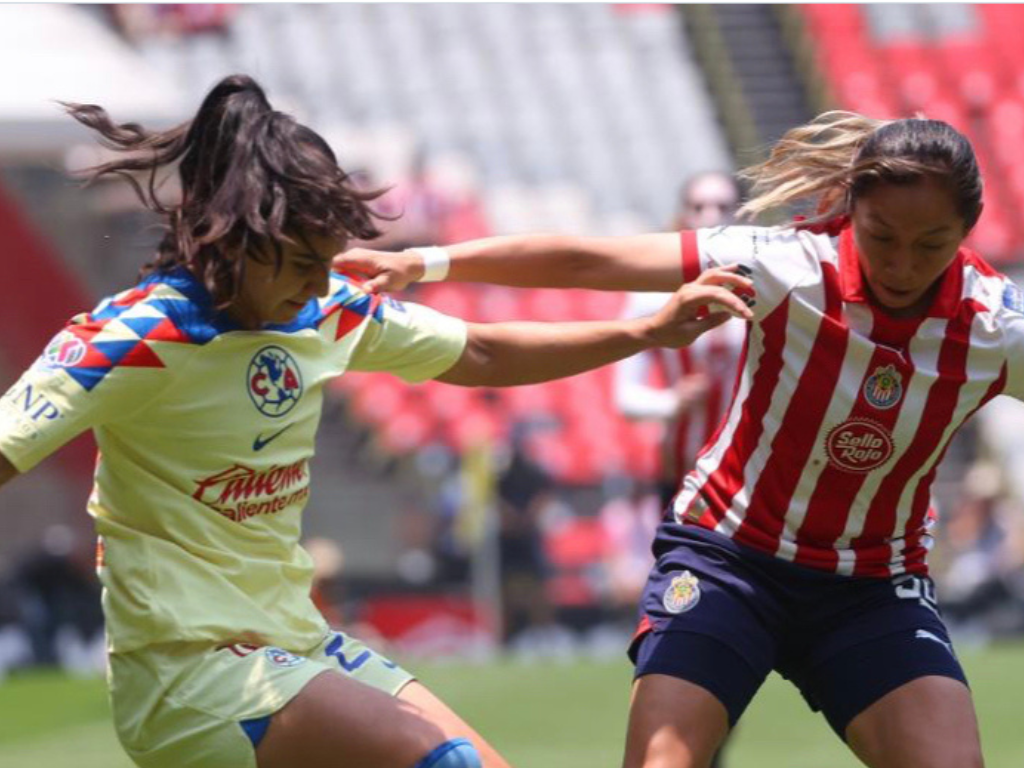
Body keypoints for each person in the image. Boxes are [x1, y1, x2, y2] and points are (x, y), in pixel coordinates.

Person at [0, 75, 752, 768]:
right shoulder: (133, 337)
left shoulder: (323, 307)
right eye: (298, 262)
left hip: (300, 644)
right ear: (229, 236)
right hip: (187, 676)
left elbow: (482, 353)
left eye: (326, 262)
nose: (314, 284)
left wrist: (644, 333)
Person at [335, 111, 1002, 768]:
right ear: (850, 210)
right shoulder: (786, 264)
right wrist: (427, 260)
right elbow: (587, 259)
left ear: (966, 233)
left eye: (932, 244)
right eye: (881, 236)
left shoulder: (996, 328)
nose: (903, 264)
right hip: (729, 561)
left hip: (872, 587)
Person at [615, 171, 744, 508]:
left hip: (749, 473)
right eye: (698, 206)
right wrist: (673, 402)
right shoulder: (651, 297)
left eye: (723, 205)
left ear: (744, 214)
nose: (711, 216)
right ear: (683, 213)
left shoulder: (767, 289)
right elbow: (626, 398)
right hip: (680, 473)